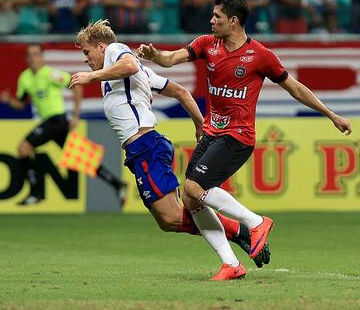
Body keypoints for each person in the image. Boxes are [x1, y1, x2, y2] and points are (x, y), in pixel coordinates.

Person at [137, 0, 352, 280]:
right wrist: (155, 56)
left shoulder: (260, 56)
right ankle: (231, 264)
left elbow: (296, 88)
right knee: (191, 199)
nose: (211, 21)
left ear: (233, 21)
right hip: (212, 133)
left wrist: (331, 114)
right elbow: (170, 58)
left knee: (194, 186)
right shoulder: (206, 44)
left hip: (238, 136)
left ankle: (256, 222)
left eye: (217, 17)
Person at [69, 19, 269, 280]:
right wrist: (200, 124)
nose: (86, 60)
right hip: (142, 150)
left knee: (174, 215)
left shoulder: (116, 52)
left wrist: (92, 76)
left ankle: (239, 235)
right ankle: (236, 238)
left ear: (101, 46)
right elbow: (181, 92)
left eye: (86, 52)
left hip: (146, 146)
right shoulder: (135, 73)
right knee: (168, 221)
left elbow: (128, 64)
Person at [0, 44, 127, 206]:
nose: (32, 58)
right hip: (50, 123)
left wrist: (75, 114)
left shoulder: (50, 74)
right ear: (26, 58)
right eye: (29, 55)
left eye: (36, 54)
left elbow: (77, 86)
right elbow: (22, 104)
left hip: (57, 120)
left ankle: (36, 193)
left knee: (23, 149)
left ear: (42, 57)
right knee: (81, 158)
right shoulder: (25, 78)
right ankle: (117, 184)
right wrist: (9, 100)